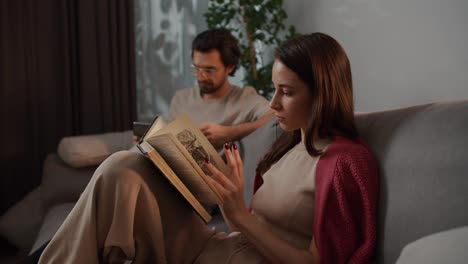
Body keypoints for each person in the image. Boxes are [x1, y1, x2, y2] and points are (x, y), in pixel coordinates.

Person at [36, 32, 379, 263]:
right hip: (221, 246)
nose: (273, 103)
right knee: (123, 168)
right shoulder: (288, 146)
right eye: (274, 89)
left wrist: (237, 216)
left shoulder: (344, 161)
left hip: (241, 255)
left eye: (286, 93)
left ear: (323, 93)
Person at [166, 28, 273, 149]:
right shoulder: (181, 99)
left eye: (209, 70)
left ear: (230, 67)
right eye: (197, 68)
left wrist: (229, 133)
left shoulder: (245, 99)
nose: (201, 76)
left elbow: (276, 118)